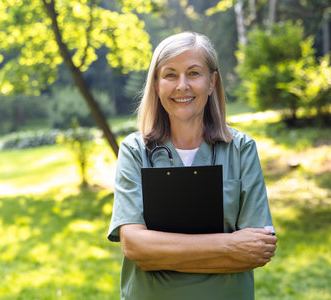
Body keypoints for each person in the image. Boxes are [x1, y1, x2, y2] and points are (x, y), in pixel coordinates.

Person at [108, 31, 277, 300]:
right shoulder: (135, 151)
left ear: (212, 82)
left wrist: (158, 256)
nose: (182, 86)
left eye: (194, 73)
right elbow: (134, 246)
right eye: (170, 75)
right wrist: (230, 245)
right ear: (156, 84)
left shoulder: (241, 149)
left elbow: (258, 251)